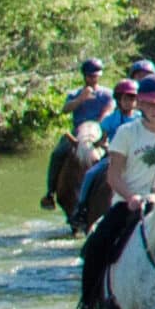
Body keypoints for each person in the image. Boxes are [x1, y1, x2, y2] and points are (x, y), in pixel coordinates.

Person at [69, 73, 155, 309]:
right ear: (140, 105)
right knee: (94, 247)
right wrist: (131, 197)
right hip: (129, 205)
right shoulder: (127, 133)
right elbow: (113, 175)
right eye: (151, 104)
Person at [42, 57, 114, 208]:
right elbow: (65, 109)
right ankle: (50, 193)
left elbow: (109, 110)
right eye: (90, 76)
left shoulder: (107, 94)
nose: (93, 79)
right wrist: (81, 99)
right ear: (84, 76)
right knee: (57, 154)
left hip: (99, 132)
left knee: (114, 154)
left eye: (95, 75)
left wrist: (101, 124)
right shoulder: (75, 93)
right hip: (78, 133)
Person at [66, 78, 139, 220]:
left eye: (132, 99)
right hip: (115, 156)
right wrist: (96, 145)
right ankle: (81, 209)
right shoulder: (110, 120)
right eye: (126, 99)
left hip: (137, 156)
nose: (129, 102)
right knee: (90, 174)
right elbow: (103, 139)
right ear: (118, 100)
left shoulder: (140, 118)